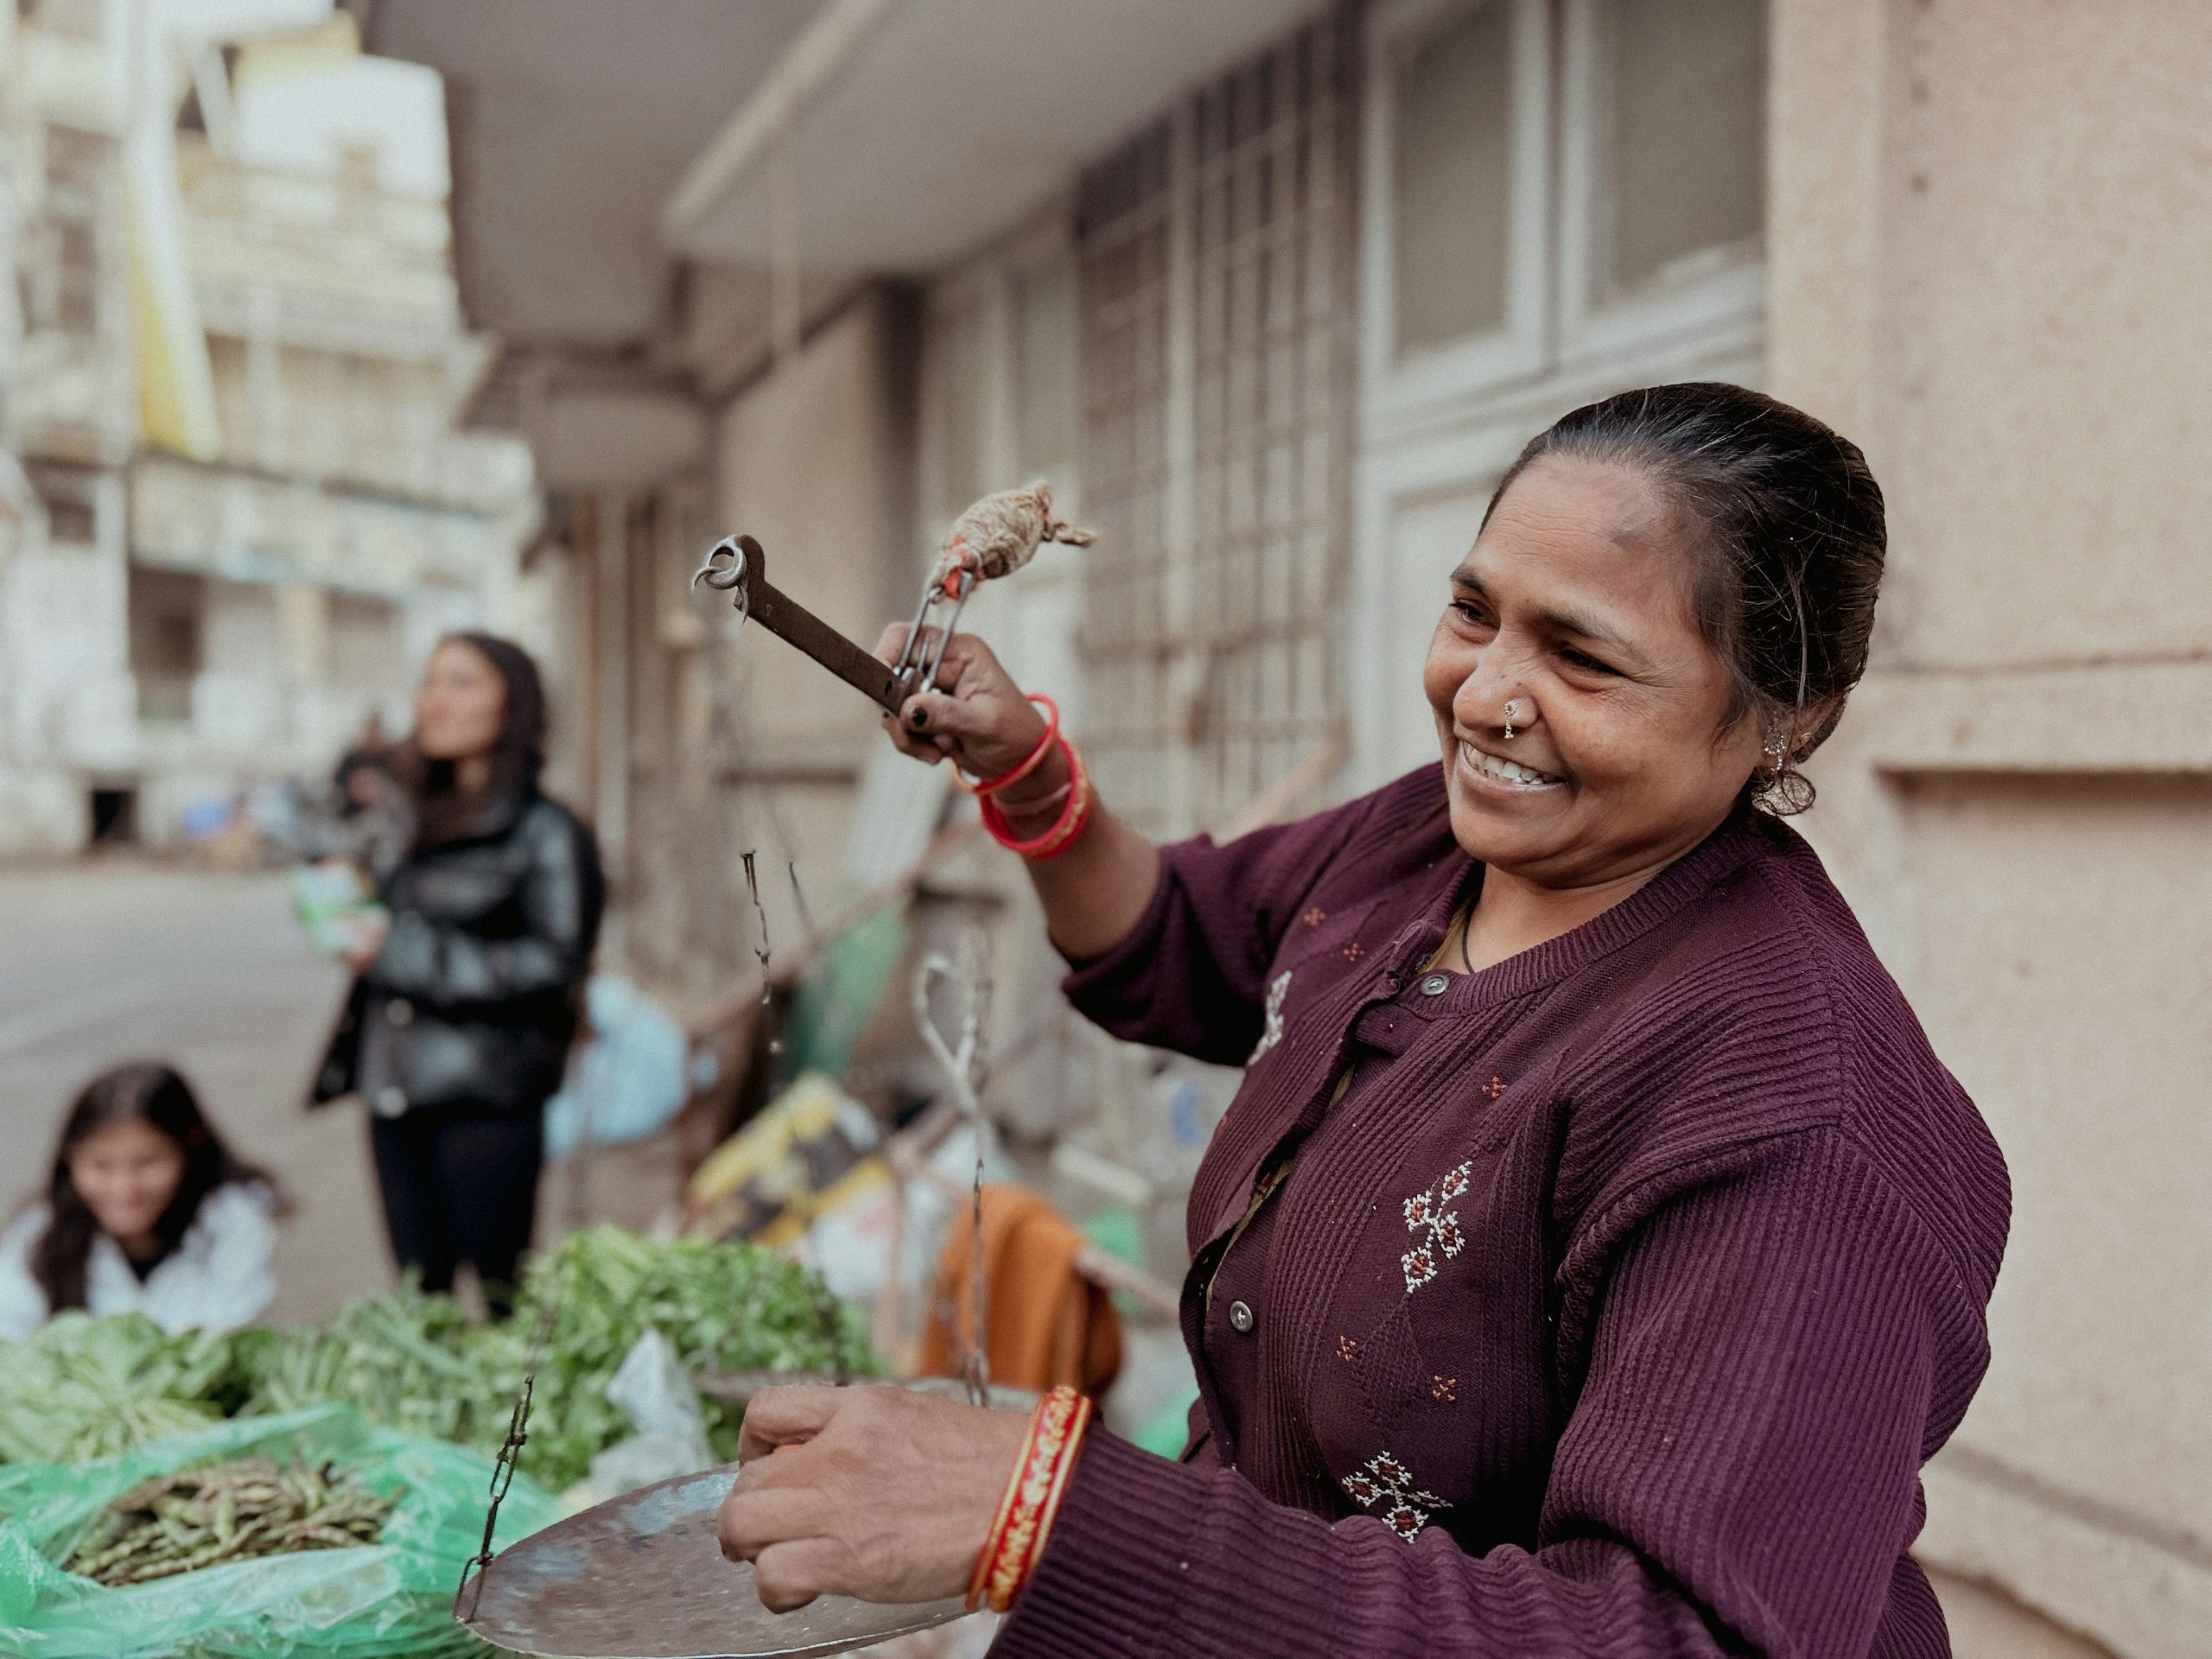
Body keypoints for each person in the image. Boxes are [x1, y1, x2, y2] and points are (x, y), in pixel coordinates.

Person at [717, 384, 2012, 1656]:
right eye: (1472, 611)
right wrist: (1027, 771)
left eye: (1583, 658)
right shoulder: (1426, 847)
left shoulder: (1793, 1111)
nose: (1485, 695)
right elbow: (1177, 940)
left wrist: (1048, 1513)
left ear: (1792, 717)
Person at [310, 632, 602, 1317]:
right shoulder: (414, 815)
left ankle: (511, 1426)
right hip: (393, 1087)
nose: (435, 701)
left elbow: (556, 962)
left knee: (502, 1297)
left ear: (515, 703)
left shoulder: (548, 832)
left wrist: (400, 952)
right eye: (430, 682)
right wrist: (351, 896)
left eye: (462, 683)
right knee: (421, 1304)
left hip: (486, 1097)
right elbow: (406, 918)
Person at [0, 1063, 283, 1339]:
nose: (124, 1190)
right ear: (69, 1158)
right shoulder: (37, 1234)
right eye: (100, 1165)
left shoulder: (233, 1220)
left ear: (190, 1146)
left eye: (147, 1163)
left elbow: (238, 1334)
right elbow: (8, 1337)